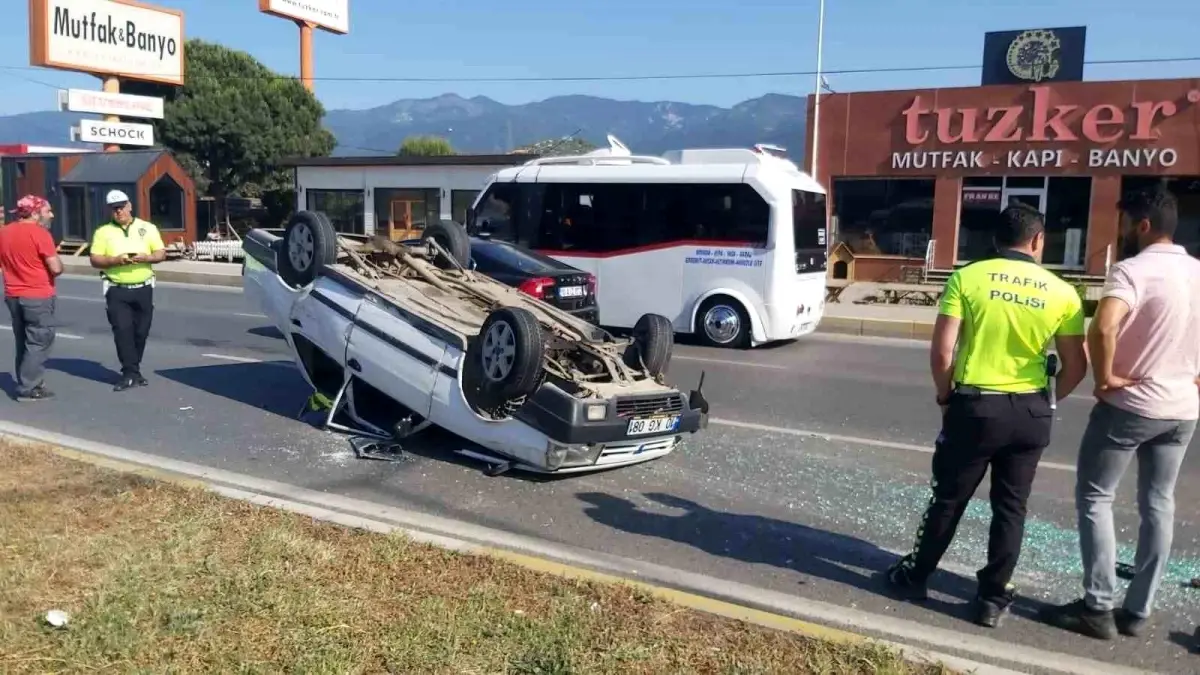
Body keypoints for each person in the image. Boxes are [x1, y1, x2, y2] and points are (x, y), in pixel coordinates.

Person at [885, 203, 1088, 628]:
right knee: (1011, 508)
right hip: (1030, 411)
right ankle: (991, 599)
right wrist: (1047, 402)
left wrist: (946, 398)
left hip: (976, 407)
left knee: (949, 498)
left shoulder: (966, 277)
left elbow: (943, 352)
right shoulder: (1063, 291)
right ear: (1038, 241)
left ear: (995, 239)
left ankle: (916, 576)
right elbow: (1076, 366)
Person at [1041, 186, 1200, 640]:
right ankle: (1138, 610)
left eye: (1127, 223)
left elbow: (1104, 326)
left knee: (1096, 497)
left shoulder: (1131, 271)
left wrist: (1106, 378)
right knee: (1158, 502)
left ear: (1143, 225)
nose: (1124, 232)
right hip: (1183, 410)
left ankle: (1098, 606)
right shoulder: (1197, 271)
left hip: (1132, 405)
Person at [89, 190, 166, 392]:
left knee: (141, 332)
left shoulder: (147, 228)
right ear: (109, 210)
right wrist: (116, 260)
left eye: (122, 206)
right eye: (115, 208)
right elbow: (95, 259)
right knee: (123, 332)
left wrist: (145, 257)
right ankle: (129, 373)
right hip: (117, 289)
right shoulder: (103, 232)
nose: (119, 211)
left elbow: (160, 253)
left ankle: (134, 370)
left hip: (143, 288)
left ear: (130, 206)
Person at [0, 195, 63, 401]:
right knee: (39, 340)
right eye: (47, 211)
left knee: (23, 340)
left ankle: (26, 380)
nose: (51, 215)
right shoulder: (40, 233)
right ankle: (29, 387)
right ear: (35, 213)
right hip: (37, 294)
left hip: (13, 294)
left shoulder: (4, 233)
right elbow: (55, 268)